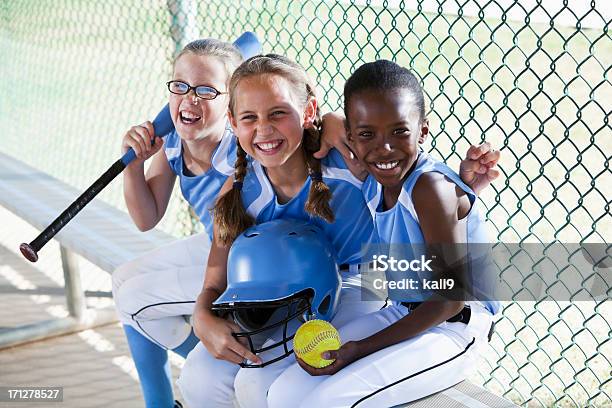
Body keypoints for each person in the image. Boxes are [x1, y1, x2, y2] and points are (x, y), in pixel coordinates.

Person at [178, 55, 500, 408]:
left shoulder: (404, 180)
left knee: (326, 400)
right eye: (365, 136)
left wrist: (359, 349)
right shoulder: (376, 179)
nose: (382, 148)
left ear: (423, 129)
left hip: (453, 324)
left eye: (398, 132)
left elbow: (449, 297)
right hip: (405, 310)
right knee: (280, 391)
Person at [111, 39, 366, 408]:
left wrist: (333, 120)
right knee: (198, 378)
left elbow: (443, 262)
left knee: (257, 387)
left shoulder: (348, 164)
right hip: (277, 289)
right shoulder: (243, 185)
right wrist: (202, 315)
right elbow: (215, 270)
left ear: (308, 111)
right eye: (249, 118)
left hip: (355, 285)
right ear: (235, 122)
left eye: (277, 113)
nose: (263, 129)